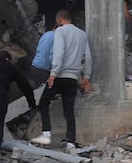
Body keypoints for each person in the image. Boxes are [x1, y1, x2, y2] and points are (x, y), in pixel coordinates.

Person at [30, 9, 92, 150]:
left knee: (44, 103)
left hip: (59, 76)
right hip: (72, 78)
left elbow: (59, 52)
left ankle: (46, 134)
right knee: (69, 109)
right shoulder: (82, 34)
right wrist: (86, 77)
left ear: (59, 20)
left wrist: (53, 73)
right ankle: (71, 141)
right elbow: (88, 56)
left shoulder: (60, 31)